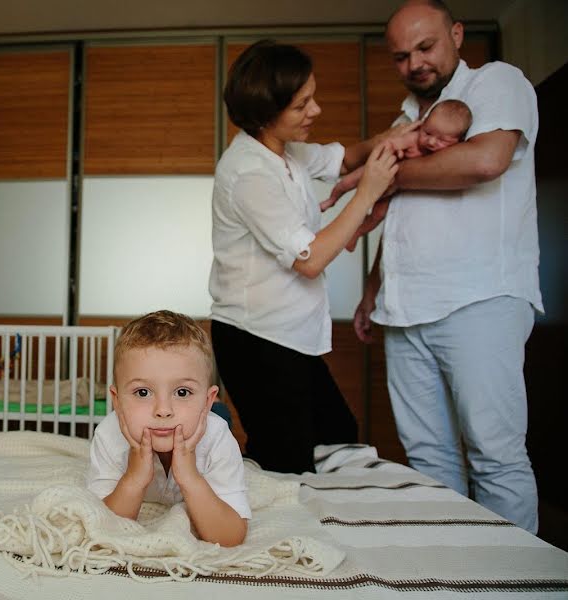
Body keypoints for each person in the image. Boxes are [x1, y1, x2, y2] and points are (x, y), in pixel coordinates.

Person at [353, 0, 542, 533]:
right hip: (405, 310)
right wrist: (372, 290)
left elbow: (485, 161)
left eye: (426, 46)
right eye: (401, 56)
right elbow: (399, 223)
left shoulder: (496, 83)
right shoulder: (406, 121)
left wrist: (385, 177)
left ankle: (517, 584)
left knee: (495, 454)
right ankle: (455, 574)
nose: (414, 63)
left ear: (456, 34)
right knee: (429, 461)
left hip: (480, 300)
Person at [209, 41, 403, 475]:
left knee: (335, 432)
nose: (315, 110)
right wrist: (368, 190)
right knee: (288, 460)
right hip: (255, 336)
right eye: (301, 105)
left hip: (288, 334)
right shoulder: (248, 172)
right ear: (265, 113)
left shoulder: (286, 150)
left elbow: (346, 156)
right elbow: (310, 259)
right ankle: (257, 533)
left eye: (312, 96)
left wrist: (397, 136)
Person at [86, 310, 249, 547]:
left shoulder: (217, 438)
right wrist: (133, 479)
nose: (163, 410)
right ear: (117, 401)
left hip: (209, 419)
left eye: (182, 392)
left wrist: (191, 478)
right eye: (143, 392)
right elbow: (101, 529)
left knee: (220, 417)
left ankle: (217, 408)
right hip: (186, 420)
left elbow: (230, 536)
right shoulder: (108, 435)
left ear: (206, 400)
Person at [322, 99, 473, 251]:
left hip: (392, 188)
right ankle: (332, 199)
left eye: (443, 140)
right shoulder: (413, 139)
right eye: (427, 133)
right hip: (381, 168)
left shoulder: (449, 156)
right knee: (346, 182)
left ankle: (356, 234)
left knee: (377, 216)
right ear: (422, 123)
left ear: (458, 142)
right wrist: (396, 149)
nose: (432, 141)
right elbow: (389, 143)